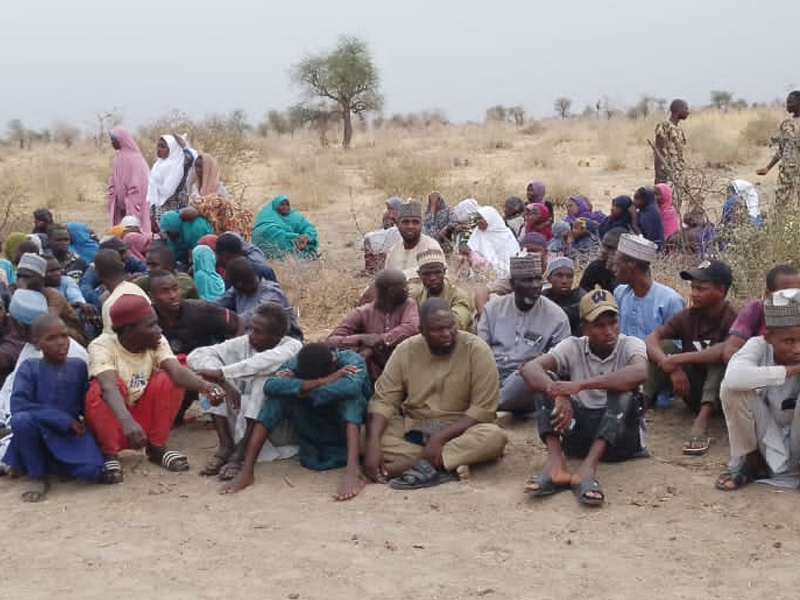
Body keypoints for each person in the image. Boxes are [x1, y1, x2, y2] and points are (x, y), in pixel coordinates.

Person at [520, 287, 648, 506]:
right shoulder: (573, 346)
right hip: (579, 437)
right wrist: (559, 393)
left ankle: (587, 469)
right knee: (545, 382)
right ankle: (557, 466)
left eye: (613, 322)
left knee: (623, 389)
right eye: (599, 325)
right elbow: (530, 369)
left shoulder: (630, 344)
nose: (609, 331)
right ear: (584, 328)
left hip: (622, 441)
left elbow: (639, 373)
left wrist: (579, 386)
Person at [364, 299, 507, 489]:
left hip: (460, 428)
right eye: (437, 330)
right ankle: (441, 462)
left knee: (494, 437)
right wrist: (373, 445)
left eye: (450, 326)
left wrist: (439, 438)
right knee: (365, 435)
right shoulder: (406, 350)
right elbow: (384, 401)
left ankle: (411, 464)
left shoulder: (477, 349)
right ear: (422, 330)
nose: (446, 334)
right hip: (415, 425)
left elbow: (483, 411)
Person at [85, 294, 227, 481]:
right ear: (129, 330)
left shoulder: (156, 340)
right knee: (99, 390)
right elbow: (108, 387)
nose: (159, 330)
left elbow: (177, 372)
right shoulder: (101, 346)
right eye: (151, 325)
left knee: (170, 378)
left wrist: (206, 386)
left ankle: (156, 447)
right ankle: (109, 453)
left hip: (139, 419)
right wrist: (127, 421)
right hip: (117, 417)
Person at [219, 342, 370, 500]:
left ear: (333, 361)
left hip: (345, 425)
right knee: (276, 399)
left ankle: (354, 471)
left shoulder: (352, 360)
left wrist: (300, 387)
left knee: (351, 399)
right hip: (311, 422)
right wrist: (326, 380)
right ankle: (247, 470)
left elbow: (349, 387)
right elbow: (271, 385)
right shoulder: (297, 361)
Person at [187, 303, 303, 481]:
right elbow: (197, 355)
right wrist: (222, 381)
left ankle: (241, 452)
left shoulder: (292, 346)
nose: (251, 335)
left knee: (263, 381)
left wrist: (222, 373)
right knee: (210, 381)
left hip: (277, 427)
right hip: (241, 414)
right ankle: (225, 445)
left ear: (277, 336)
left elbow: (262, 363)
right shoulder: (245, 342)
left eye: (258, 331)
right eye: (250, 328)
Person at [3, 316, 106, 501]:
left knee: (92, 472)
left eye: (64, 336)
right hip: (40, 432)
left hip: (68, 435)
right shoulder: (29, 367)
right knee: (21, 421)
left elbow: (87, 405)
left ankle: (53, 463)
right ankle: (37, 475)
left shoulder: (79, 366)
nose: (61, 343)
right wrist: (64, 420)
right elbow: (19, 405)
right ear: (37, 343)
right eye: (52, 338)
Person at [645, 260, 737, 455]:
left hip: (720, 398)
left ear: (720, 290)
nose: (694, 293)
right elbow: (651, 339)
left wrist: (678, 360)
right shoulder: (688, 316)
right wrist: (669, 366)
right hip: (691, 390)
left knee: (718, 359)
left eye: (701, 289)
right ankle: (640, 406)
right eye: (693, 288)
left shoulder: (734, 318)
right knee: (664, 346)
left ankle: (701, 422)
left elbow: (724, 350)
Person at [716, 289, 800, 490]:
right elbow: (734, 378)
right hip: (766, 439)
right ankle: (752, 463)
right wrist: (790, 370)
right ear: (769, 337)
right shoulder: (758, 346)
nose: (798, 349)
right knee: (731, 390)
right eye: (789, 341)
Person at [478, 255, 570, 413]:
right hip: (489, 375)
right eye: (527, 280)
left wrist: (538, 363)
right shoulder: (493, 309)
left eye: (537, 280)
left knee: (529, 378)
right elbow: (479, 350)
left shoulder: (556, 317)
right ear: (513, 284)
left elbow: (561, 361)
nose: (535, 286)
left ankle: (486, 407)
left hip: (524, 380)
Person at [328, 269, 419, 382]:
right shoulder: (362, 312)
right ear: (391, 291)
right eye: (404, 286)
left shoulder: (409, 304)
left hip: (405, 369)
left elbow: (411, 327)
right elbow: (331, 341)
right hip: (372, 375)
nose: (407, 289)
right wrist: (362, 338)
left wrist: (378, 341)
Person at [149, 270, 242, 356]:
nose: (173, 295)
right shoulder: (147, 319)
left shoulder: (200, 310)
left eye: (175, 289)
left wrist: (231, 352)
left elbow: (239, 322)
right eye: (165, 291)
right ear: (152, 296)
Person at [612, 234, 685, 340]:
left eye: (617, 265)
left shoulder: (670, 301)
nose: (614, 269)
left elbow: (676, 344)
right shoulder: (619, 293)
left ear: (631, 265)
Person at [723, 265, 800, 362]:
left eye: (797, 294)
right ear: (768, 295)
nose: (794, 300)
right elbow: (730, 352)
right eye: (785, 295)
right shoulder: (757, 308)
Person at [214, 258, 302, 338]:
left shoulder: (271, 294)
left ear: (238, 284)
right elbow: (218, 304)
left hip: (284, 342)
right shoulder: (239, 289)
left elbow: (248, 318)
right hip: (258, 338)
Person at [16, 253, 87, 346]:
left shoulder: (53, 296)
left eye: (27, 277)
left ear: (41, 278)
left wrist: (22, 293)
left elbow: (45, 325)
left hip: (71, 339)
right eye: (19, 276)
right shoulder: (18, 292)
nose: (22, 281)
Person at [409, 248, 473, 331]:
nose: (432, 278)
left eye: (437, 272)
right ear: (419, 274)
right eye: (427, 274)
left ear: (444, 272)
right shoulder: (416, 295)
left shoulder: (459, 295)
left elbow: (456, 324)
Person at [756, 90, 800, 208]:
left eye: (790, 102)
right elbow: (781, 149)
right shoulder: (786, 124)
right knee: (780, 203)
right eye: (787, 102)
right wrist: (767, 168)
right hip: (786, 172)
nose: (787, 104)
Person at [92, 249, 151, 334]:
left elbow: (112, 339)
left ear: (97, 274)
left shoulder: (111, 304)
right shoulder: (136, 289)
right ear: (122, 266)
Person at [107, 126, 151, 236]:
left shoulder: (136, 159)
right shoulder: (117, 158)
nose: (112, 143)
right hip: (120, 206)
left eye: (114, 140)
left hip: (134, 204)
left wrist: (131, 205)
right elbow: (113, 180)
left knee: (135, 232)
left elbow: (137, 186)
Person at [383, 201, 443, 281]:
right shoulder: (393, 251)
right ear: (398, 225)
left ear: (421, 225)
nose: (410, 226)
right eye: (405, 222)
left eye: (415, 222)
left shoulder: (431, 247)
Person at [251, 194, 319, 260]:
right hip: (275, 246)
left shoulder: (294, 216)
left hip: (298, 243)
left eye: (287, 204)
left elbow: (308, 227)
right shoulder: (268, 215)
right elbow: (267, 232)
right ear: (275, 206)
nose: (285, 207)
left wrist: (306, 237)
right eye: (282, 205)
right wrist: (297, 237)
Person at [467, 206, 520, 278]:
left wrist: (488, 264)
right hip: (479, 273)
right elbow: (469, 248)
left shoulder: (506, 235)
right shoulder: (478, 232)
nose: (478, 221)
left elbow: (509, 262)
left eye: (481, 218)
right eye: (477, 218)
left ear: (489, 219)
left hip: (503, 274)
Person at [135, 246, 200, 300]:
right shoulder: (147, 279)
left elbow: (167, 301)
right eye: (148, 265)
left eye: (154, 265)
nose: (148, 269)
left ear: (169, 266)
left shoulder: (183, 280)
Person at [147, 135, 188, 218]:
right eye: (158, 146)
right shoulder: (158, 164)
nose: (159, 149)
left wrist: (155, 184)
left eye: (162, 147)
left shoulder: (176, 167)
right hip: (157, 207)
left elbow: (168, 190)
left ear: (172, 149)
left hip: (171, 208)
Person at [543, 257, 585, 336]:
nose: (564, 281)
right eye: (559, 276)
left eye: (569, 276)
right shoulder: (543, 298)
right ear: (549, 279)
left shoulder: (580, 297)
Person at [654, 99, 689, 185]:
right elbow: (658, 150)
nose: (688, 112)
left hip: (677, 172)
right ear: (678, 110)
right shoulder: (664, 126)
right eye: (686, 109)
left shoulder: (678, 130)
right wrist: (658, 174)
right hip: (666, 172)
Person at [579, 227, 624, 293]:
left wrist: (614, 271)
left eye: (610, 248)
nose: (603, 251)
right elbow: (582, 292)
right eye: (603, 245)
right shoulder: (597, 266)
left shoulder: (632, 271)